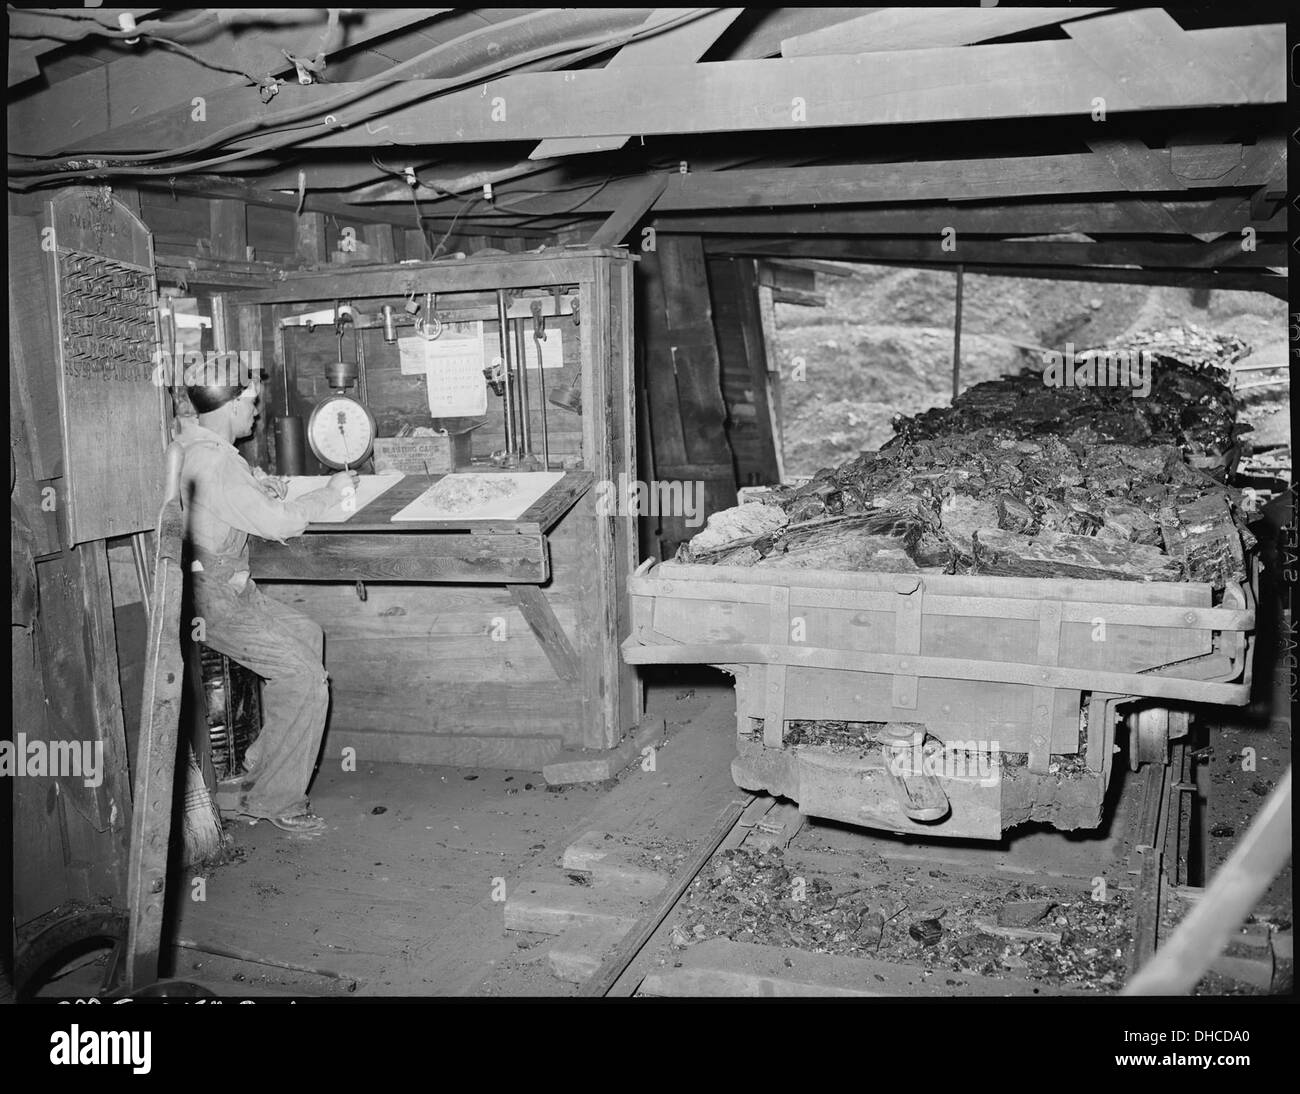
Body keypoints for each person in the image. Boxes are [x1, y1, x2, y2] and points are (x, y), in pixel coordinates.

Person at [176, 369, 357, 833]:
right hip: (212, 598)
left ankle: (263, 762)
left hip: (225, 585)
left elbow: (229, 501)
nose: (256, 411)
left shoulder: (198, 445)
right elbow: (279, 524)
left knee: (306, 634)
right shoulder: (215, 462)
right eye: (251, 402)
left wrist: (259, 486)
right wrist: (328, 495)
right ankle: (276, 801)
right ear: (232, 405)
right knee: (305, 678)